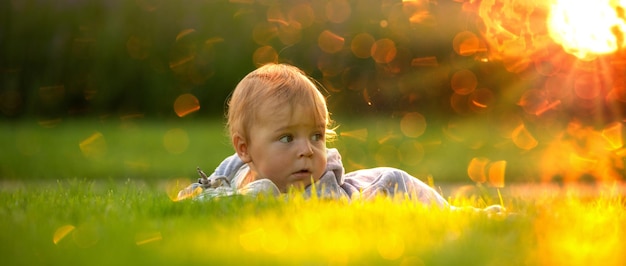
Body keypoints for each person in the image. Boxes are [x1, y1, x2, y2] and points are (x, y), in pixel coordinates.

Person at [177, 63, 503, 212]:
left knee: (448, 216)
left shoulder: (323, 194)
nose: (306, 150)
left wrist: (262, 195)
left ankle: (479, 217)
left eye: (316, 136)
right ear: (245, 148)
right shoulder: (235, 167)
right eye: (287, 138)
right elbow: (204, 195)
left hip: (385, 188)